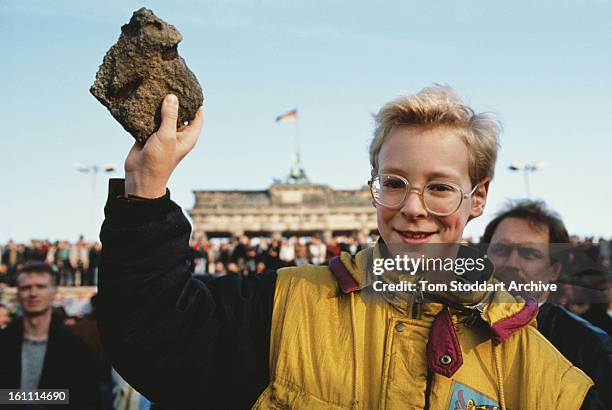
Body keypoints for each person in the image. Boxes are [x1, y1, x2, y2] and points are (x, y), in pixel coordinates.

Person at [98, 87, 598, 409]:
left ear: (478, 198)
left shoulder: (537, 336)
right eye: (395, 182)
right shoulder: (290, 302)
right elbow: (155, 336)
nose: (413, 207)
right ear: (374, 187)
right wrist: (144, 191)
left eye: (441, 187)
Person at [481, 200, 612, 407]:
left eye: (529, 254)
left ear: (554, 270)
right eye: (501, 250)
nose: (512, 263)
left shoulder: (592, 348)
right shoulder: (448, 322)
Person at [0, 262, 99, 409]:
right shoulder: (4, 343)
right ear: (18, 294)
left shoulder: (75, 349)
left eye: (41, 287)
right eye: (26, 287)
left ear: (54, 293)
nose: (33, 293)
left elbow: (85, 399)